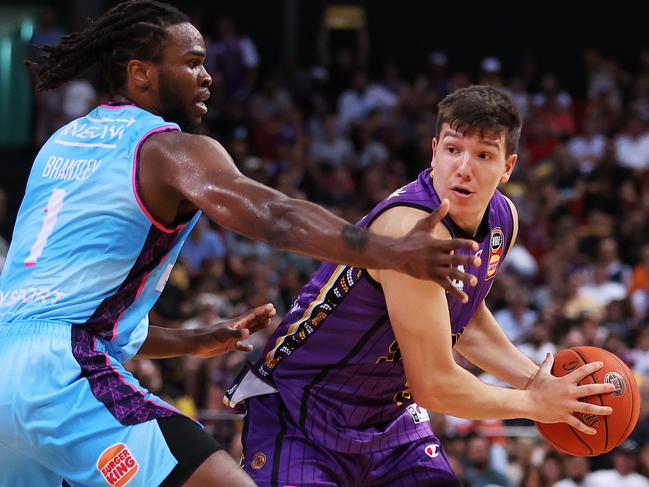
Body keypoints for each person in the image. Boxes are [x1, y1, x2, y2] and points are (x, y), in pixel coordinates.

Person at [0, 1, 480, 486]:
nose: (207, 75)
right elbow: (273, 215)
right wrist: (389, 251)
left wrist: (193, 340)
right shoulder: (166, 148)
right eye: (191, 63)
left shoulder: (61, 144)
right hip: (62, 374)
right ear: (140, 73)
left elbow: (60, 314)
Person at [225, 85, 616, 486]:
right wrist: (533, 404)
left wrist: (536, 380)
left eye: (483, 155)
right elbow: (433, 385)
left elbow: (463, 315)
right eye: (452, 149)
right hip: (303, 412)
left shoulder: (503, 220)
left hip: (388, 419)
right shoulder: (413, 230)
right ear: (433, 151)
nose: (464, 167)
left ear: (508, 166)